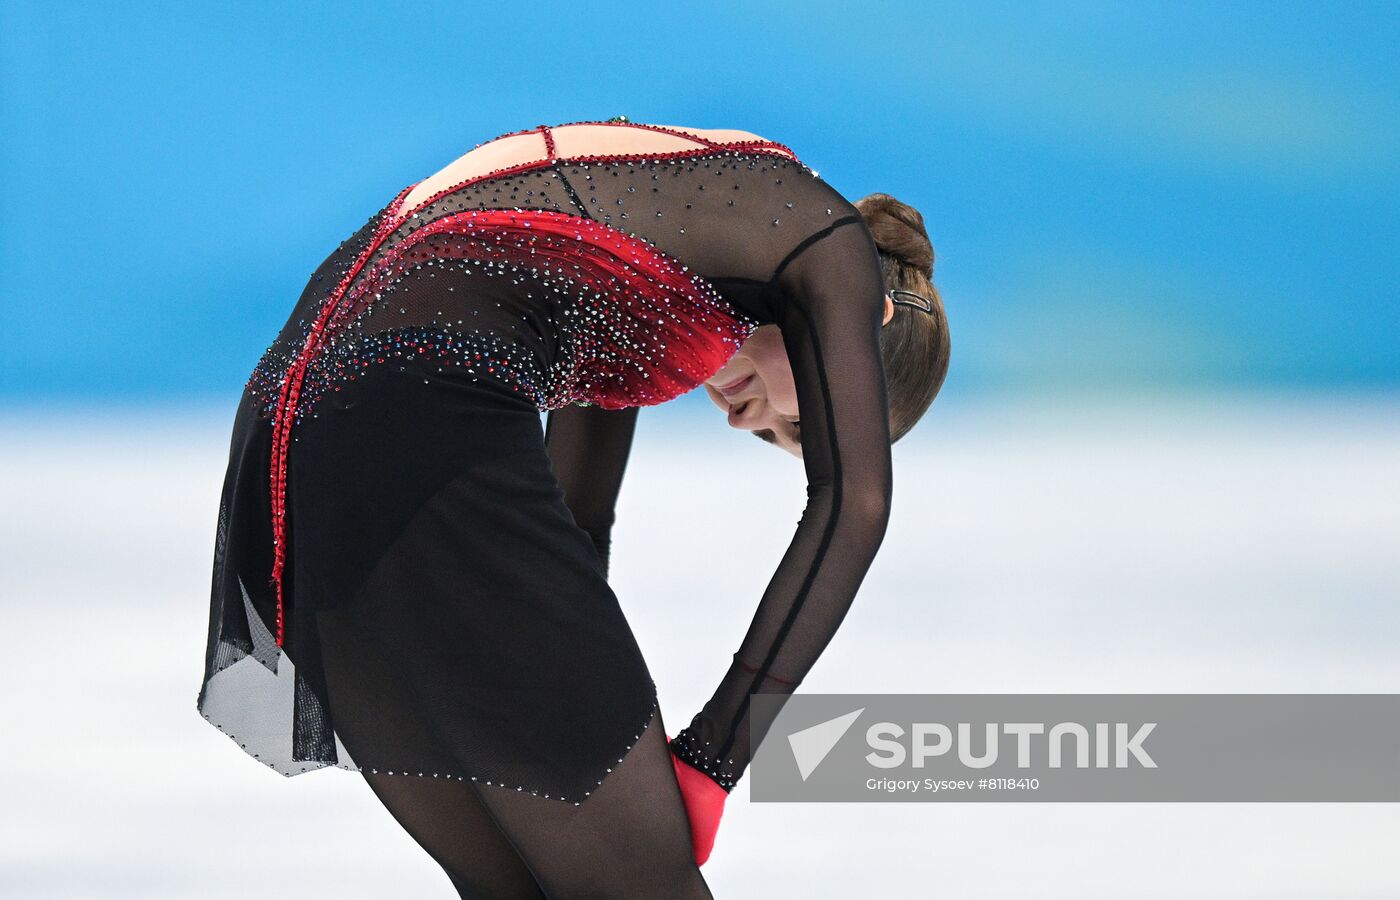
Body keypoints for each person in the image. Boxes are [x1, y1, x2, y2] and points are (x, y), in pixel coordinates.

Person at [195, 117, 950, 899]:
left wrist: (571, 719)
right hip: (415, 390)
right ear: (867, 326)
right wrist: (714, 758)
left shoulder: (659, 253)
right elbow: (853, 504)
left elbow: (576, 524)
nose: (743, 423)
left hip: (290, 423)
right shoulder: (827, 245)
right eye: (797, 424)